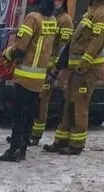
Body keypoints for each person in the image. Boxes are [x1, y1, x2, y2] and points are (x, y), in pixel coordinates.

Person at [44, 0, 104, 155]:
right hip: (75, 69)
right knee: (68, 102)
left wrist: (84, 64)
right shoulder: (93, 10)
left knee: (79, 104)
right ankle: (61, 140)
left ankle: (76, 145)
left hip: (87, 69)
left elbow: (97, 41)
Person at [0, 0, 57, 162]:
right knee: (29, 115)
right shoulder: (52, 21)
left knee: (18, 115)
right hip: (38, 78)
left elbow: (21, 46)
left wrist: (8, 52)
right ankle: (22, 150)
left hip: (25, 77)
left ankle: (13, 150)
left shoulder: (33, 18)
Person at [30, 0, 73, 146]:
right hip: (41, 67)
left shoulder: (65, 21)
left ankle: (36, 135)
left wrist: (56, 70)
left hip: (50, 69)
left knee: (43, 101)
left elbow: (63, 48)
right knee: (36, 100)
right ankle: (29, 132)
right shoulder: (51, 18)